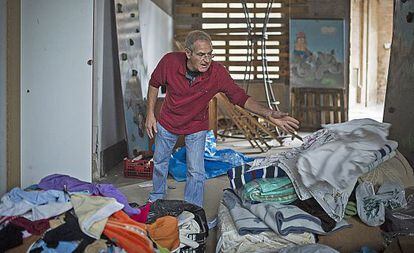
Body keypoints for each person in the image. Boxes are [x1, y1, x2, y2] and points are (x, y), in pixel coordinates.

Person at [145, 30, 299, 207]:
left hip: (196, 125)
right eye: (201, 54)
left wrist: (268, 113)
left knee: (196, 170)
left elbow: (240, 97)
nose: (207, 60)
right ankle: (156, 198)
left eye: (210, 54)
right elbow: (154, 83)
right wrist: (150, 114)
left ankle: (193, 208)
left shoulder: (217, 73)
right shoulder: (170, 62)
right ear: (187, 53)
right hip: (168, 121)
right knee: (160, 162)